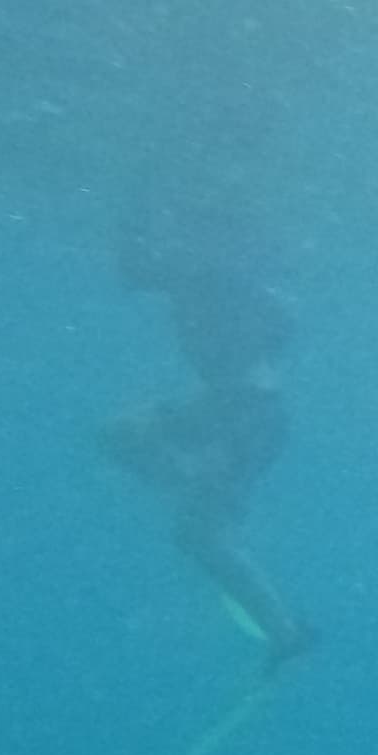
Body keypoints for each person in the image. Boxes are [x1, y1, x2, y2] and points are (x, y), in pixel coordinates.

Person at [102, 185, 317, 669]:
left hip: (250, 418)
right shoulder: (199, 275)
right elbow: (135, 269)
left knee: (197, 536)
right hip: (224, 406)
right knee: (121, 437)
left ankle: (285, 634)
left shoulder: (228, 280)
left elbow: (278, 328)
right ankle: (201, 492)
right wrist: (134, 207)